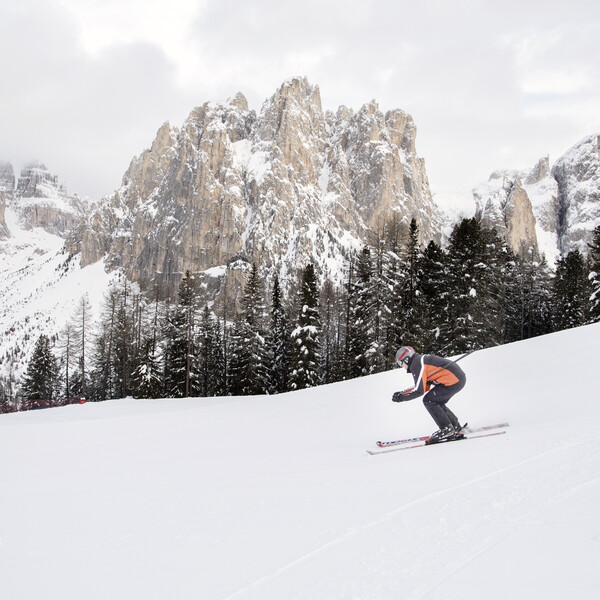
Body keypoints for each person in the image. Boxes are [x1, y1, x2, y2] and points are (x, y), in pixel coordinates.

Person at [392, 346, 467, 443]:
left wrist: (402, 398)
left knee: (429, 400)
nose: (401, 366)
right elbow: (423, 386)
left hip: (453, 380)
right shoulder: (419, 361)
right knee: (436, 401)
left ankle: (447, 429)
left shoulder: (416, 364)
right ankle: (454, 426)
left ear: (406, 359)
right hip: (457, 379)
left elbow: (419, 390)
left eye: (400, 363)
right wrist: (403, 393)